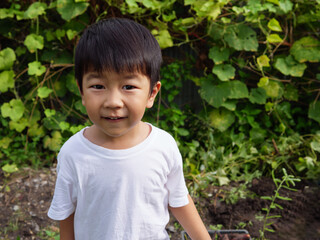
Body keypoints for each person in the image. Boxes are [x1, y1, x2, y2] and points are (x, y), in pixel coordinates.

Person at [48, 18, 211, 240]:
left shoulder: (163, 146)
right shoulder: (73, 153)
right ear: (81, 91)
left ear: (152, 93)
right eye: (98, 86)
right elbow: (66, 215)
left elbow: (180, 200)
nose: (113, 101)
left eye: (128, 87)